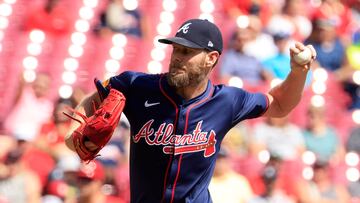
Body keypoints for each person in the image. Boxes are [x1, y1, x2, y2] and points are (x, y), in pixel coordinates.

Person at [65, 18, 316, 203]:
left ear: (211, 58)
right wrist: (73, 131)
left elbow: (280, 104)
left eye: (187, 51)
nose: (177, 57)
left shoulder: (226, 101)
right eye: (175, 49)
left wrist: (298, 73)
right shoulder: (138, 86)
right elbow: (94, 97)